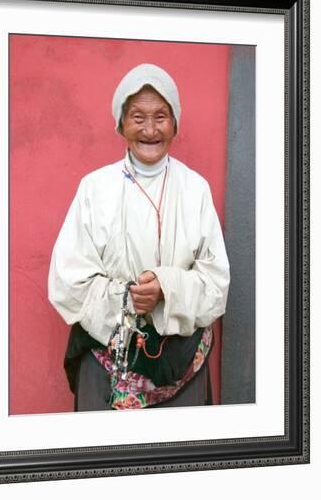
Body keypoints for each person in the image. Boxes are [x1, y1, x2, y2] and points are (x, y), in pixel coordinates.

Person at [48, 63, 230, 411]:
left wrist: (166, 288)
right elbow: (67, 282)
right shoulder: (95, 188)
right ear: (121, 124)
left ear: (175, 123)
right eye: (137, 117)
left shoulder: (195, 190)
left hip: (181, 363)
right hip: (106, 362)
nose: (150, 129)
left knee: (178, 461)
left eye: (161, 116)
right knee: (105, 461)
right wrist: (128, 299)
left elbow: (216, 286)